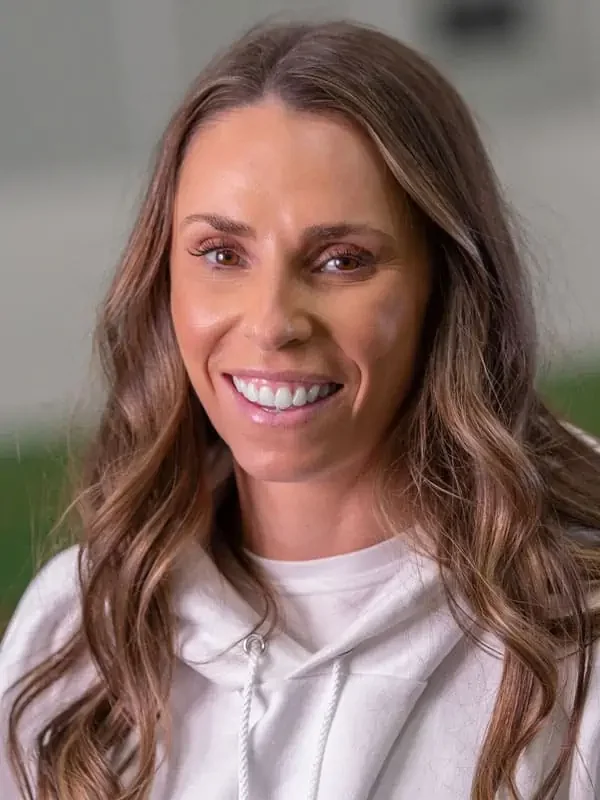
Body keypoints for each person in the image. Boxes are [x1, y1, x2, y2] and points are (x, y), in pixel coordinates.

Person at [1, 18, 599, 800]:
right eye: (221, 254)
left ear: (444, 289)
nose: (272, 321)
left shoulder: (573, 644)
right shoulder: (79, 633)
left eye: (342, 261)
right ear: (162, 281)